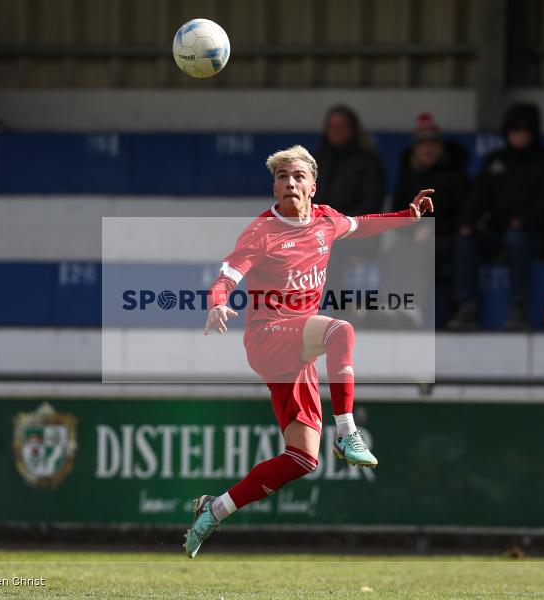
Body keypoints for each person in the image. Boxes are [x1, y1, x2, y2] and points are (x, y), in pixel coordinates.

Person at [182, 145, 434, 558]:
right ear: (274, 187)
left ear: (312, 186)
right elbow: (227, 276)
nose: (290, 183)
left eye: (298, 176)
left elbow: (364, 224)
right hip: (267, 337)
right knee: (341, 330)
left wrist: (408, 216)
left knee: (301, 457)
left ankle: (215, 509)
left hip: (296, 349)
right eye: (282, 177)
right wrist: (216, 301)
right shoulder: (261, 231)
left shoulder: (325, 220)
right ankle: (349, 432)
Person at [447, 102, 544, 331]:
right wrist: (466, 223)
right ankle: (466, 306)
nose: (520, 134)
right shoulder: (495, 161)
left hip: (539, 233)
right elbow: (477, 197)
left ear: (534, 132)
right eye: (515, 128)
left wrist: (522, 221)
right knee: (465, 239)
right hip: (499, 231)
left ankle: (519, 309)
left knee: (516, 238)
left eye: (525, 129)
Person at [388, 112, 470, 323]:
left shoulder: (455, 175)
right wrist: (414, 229)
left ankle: (414, 308)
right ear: (415, 148)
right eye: (423, 145)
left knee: (424, 248)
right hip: (413, 234)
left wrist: (431, 228)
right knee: (394, 247)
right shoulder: (408, 175)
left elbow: (465, 213)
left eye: (433, 144)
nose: (428, 150)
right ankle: (393, 307)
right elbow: (397, 212)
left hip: (446, 235)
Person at [312, 105, 387, 314]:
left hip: (357, 231)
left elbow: (372, 204)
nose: (336, 131)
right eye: (331, 126)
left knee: (329, 250)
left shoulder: (368, 161)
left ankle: (338, 311)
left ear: (353, 129)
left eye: (342, 126)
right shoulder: (317, 160)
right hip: (322, 229)